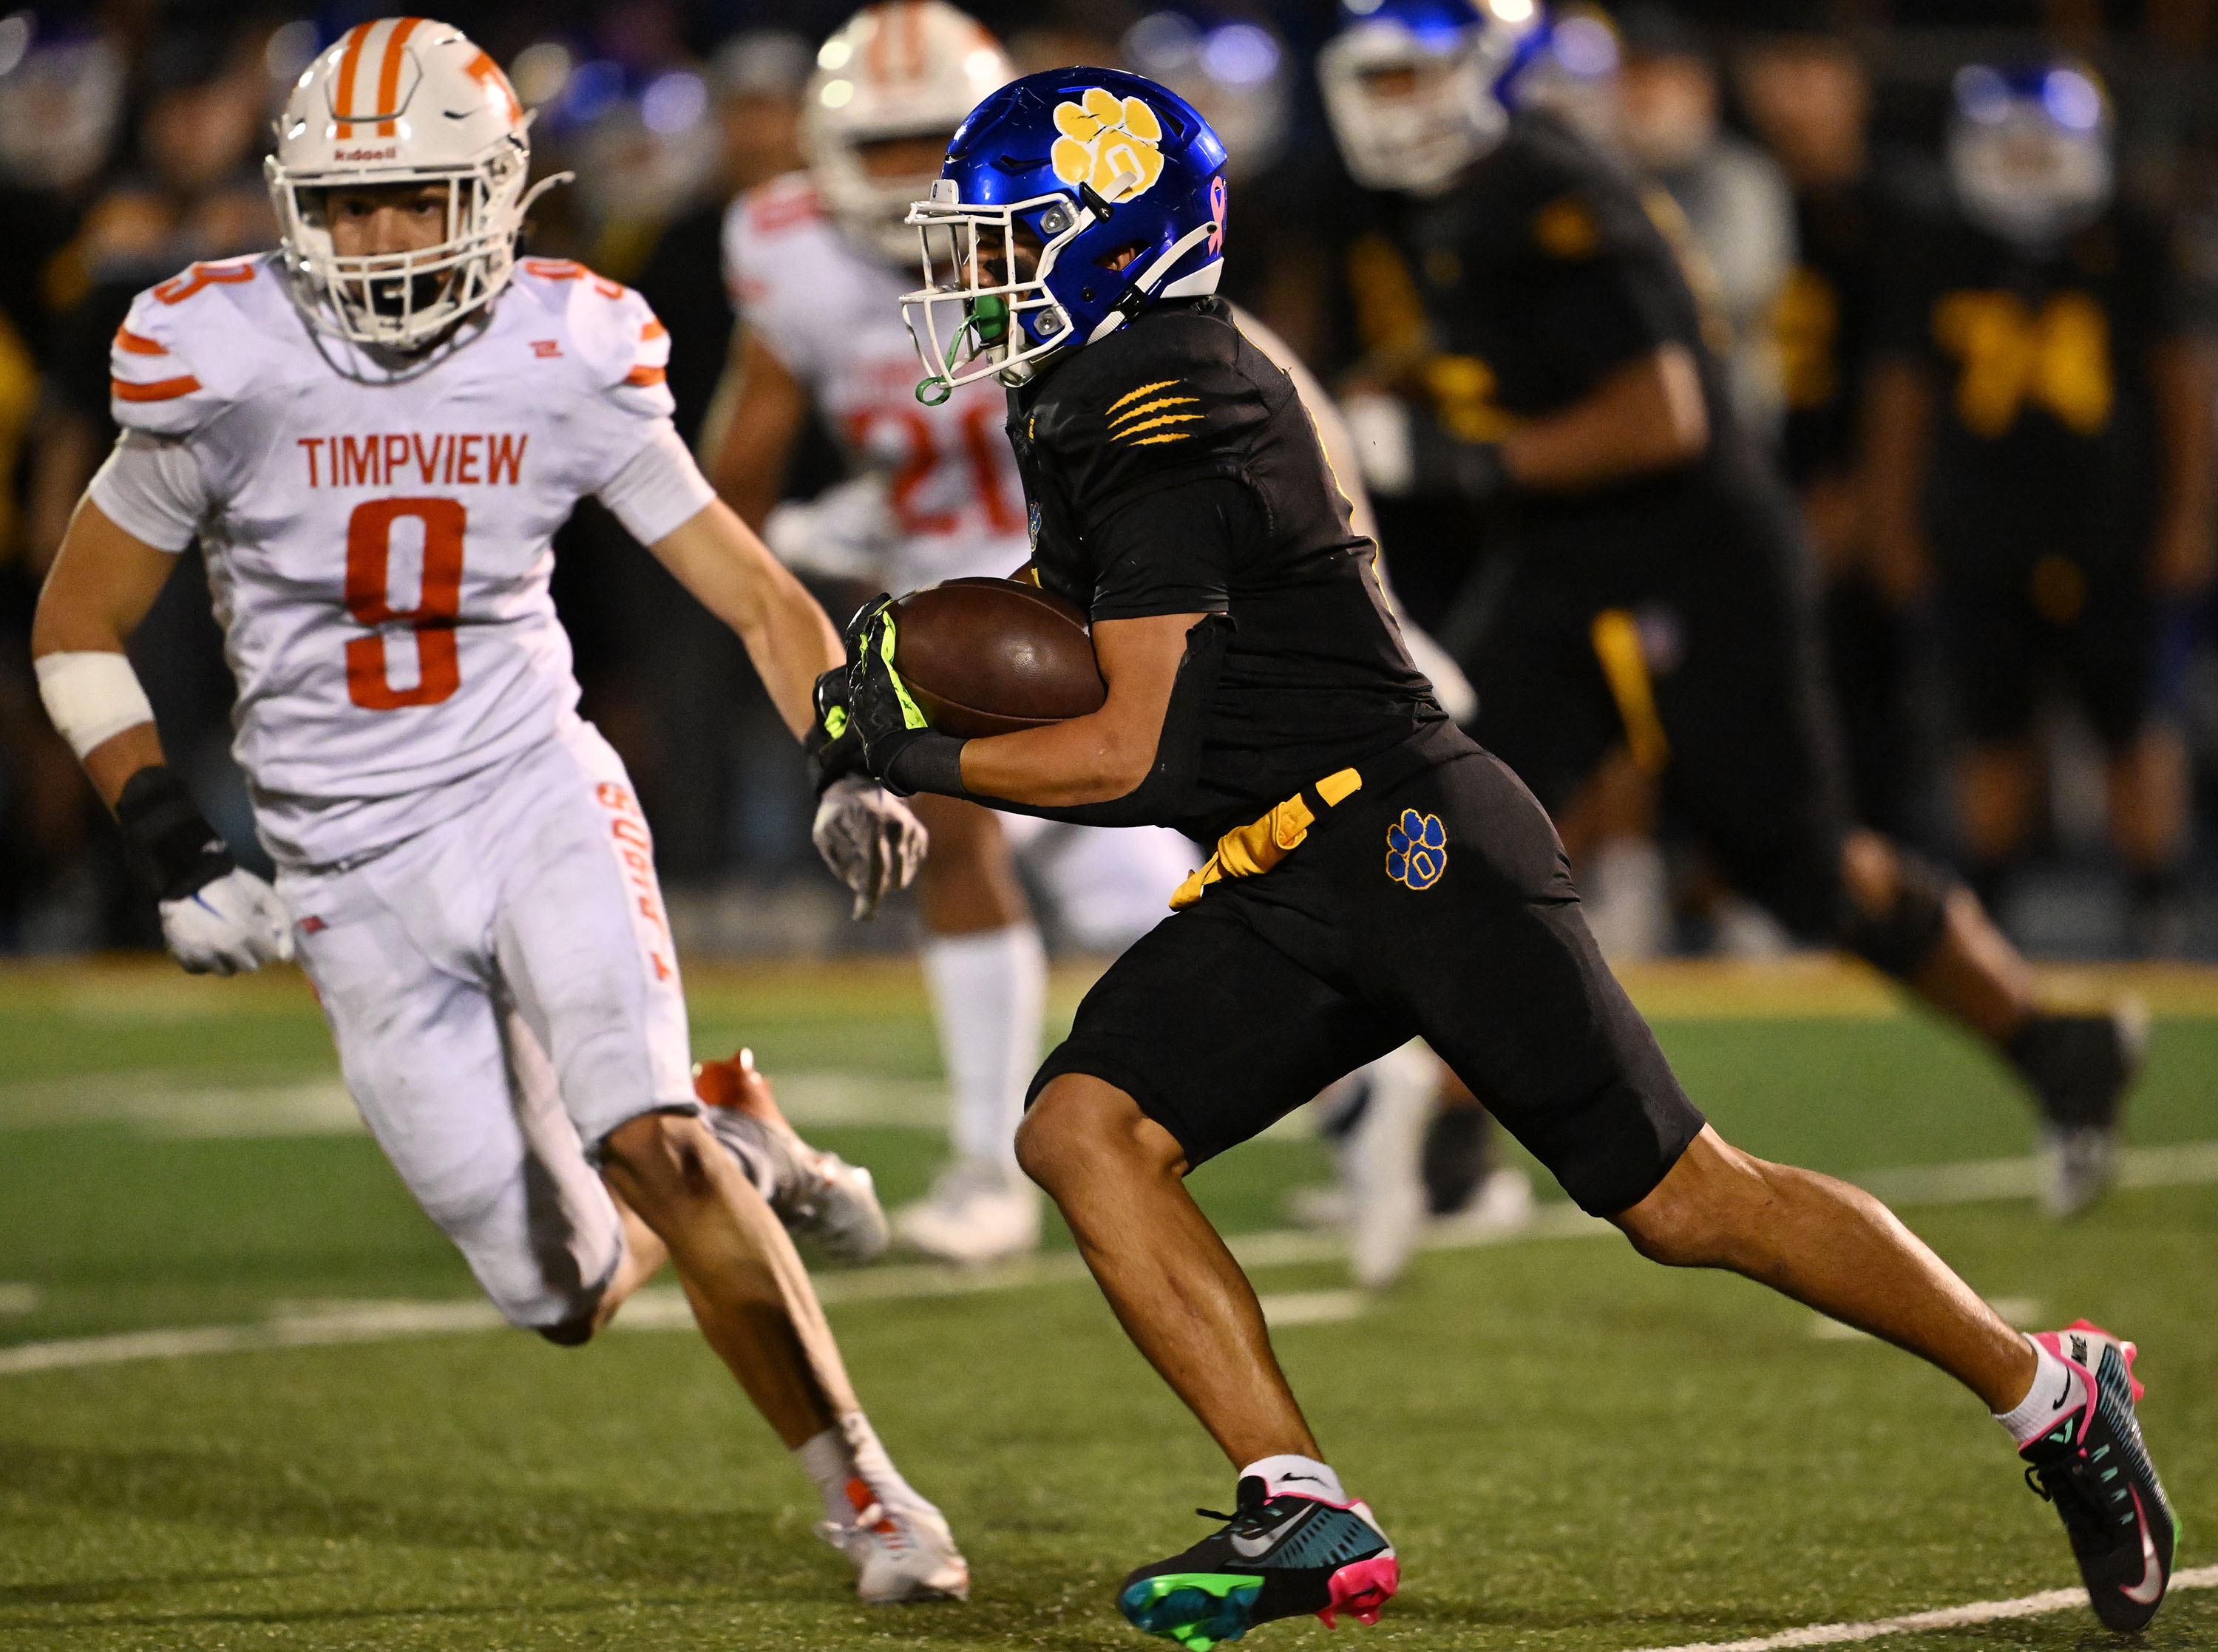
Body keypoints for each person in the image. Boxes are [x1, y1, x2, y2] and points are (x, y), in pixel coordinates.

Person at [832, 58, 2175, 1648]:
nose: (967, 272)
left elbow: (1134, 748)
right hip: (1289, 862)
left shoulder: (1169, 397)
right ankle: (1299, 1500)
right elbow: (1085, 627)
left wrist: (911, 747)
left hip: (1410, 841)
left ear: (1108, 237)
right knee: (1082, 1127)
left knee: (1685, 1201)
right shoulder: (1098, 389)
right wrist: (898, 690)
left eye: (1004, 234)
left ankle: (2050, 1388)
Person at [30, 19, 965, 1604]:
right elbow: (73, 620)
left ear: (503, 191)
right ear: (290, 204)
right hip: (345, 859)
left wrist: (847, 755)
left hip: (530, 786)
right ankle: (736, 1121)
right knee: (565, 1292)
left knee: (645, 1144)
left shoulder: (568, 346)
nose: (384, 240)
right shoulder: (221, 350)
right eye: (348, 205)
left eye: (419, 198)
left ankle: (865, 1487)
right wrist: (171, 835)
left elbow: (749, 587)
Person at [1317, 0, 2146, 1219]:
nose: (1392, 107)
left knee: (1797, 868)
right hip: (1572, 560)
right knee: (1454, 804)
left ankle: (2056, 1045)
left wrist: (1458, 459)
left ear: (1487, 72)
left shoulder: (1548, 189)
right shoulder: (1472, 192)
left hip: (1692, 560)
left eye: (1414, 77)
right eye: (1374, 81)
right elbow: (1507, 365)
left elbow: (1663, 417)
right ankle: (1444, 1137)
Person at [705, 0, 1196, 1262]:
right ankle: (1366, 1075)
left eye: (927, 141)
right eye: (873, 143)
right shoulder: (785, 250)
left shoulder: (1062, 226)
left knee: (1029, 846)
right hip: (936, 584)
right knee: (1127, 892)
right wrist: (792, 550)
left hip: (1081, 576)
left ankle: (992, 1171)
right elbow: (739, 462)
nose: (896, 175)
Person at [1865, 61, 2218, 954]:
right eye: (2008, 149)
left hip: (2113, 532)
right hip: (1981, 533)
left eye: (2040, 149)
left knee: (2134, 721)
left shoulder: (2130, 239)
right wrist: (1896, 523)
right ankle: (1992, 910)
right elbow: (1903, 395)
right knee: (1994, 728)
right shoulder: (1940, 245)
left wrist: (2187, 517)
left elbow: (2180, 387)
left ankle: (2156, 901)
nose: (2024, 167)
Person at [1736, 19, 1923, 839]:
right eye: (1782, 64)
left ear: (1855, 82)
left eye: (1814, 67)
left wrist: (1871, 502)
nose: (1795, 91)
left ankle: (1873, 883)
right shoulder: (1723, 193)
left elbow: (1903, 381)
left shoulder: (1895, 214)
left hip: (1853, 495)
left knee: (1861, 698)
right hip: (1744, 490)